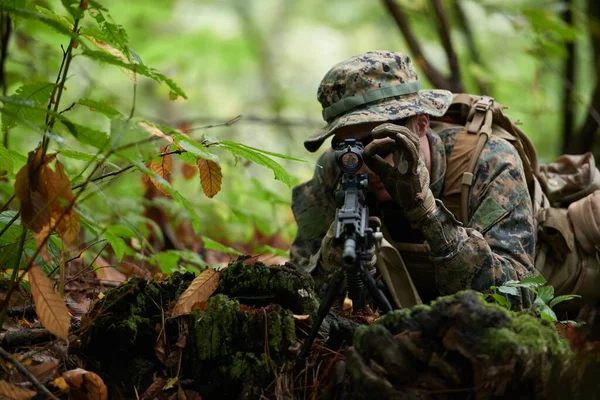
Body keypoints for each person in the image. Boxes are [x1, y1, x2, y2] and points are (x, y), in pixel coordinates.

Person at [290, 50, 536, 309]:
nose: (367, 164)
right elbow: (297, 291)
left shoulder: (489, 162)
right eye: (350, 148)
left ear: (421, 123)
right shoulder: (337, 169)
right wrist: (332, 262)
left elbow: (517, 297)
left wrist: (428, 214)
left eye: (381, 145)